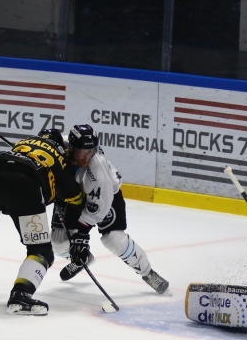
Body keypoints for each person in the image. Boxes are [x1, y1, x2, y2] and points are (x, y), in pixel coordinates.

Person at [0, 130, 85, 315]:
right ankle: (21, 295)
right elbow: (76, 198)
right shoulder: (59, 157)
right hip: (24, 188)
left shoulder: (22, 144)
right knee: (41, 251)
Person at [51, 124, 170, 294]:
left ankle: (148, 274)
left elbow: (99, 209)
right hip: (72, 194)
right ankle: (82, 258)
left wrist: (81, 236)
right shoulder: (62, 145)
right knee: (59, 243)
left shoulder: (98, 174)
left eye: (91, 152)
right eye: (82, 152)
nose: (86, 157)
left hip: (105, 198)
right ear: (72, 147)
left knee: (113, 239)